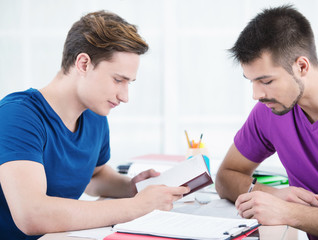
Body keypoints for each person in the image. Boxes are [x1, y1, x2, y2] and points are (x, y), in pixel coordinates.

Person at [0, 10, 189, 240]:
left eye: (129, 83)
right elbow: (31, 214)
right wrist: (137, 206)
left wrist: (132, 187)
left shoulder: (95, 115)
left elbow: (94, 176)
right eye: (118, 80)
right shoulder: (18, 115)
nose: (124, 96)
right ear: (83, 63)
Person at [215, 5, 318, 240]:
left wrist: (291, 213)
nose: (256, 94)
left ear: (301, 66)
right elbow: (225, 177)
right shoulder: (270, 111)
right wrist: (272, 194)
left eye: (266, 81)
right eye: (251, 81)